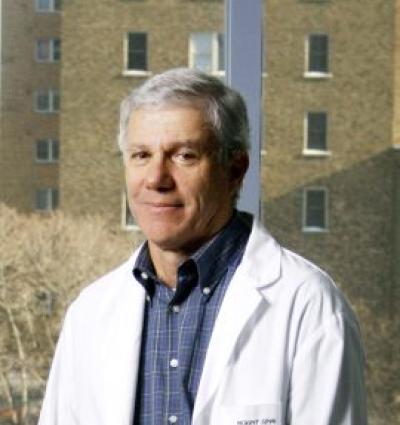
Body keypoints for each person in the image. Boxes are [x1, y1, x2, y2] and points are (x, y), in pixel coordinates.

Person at [38, 68, 367, 425]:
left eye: (184, 156)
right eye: (141, 155)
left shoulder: (307, 304)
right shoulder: (90, 313)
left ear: (235, 169)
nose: (156, 179)